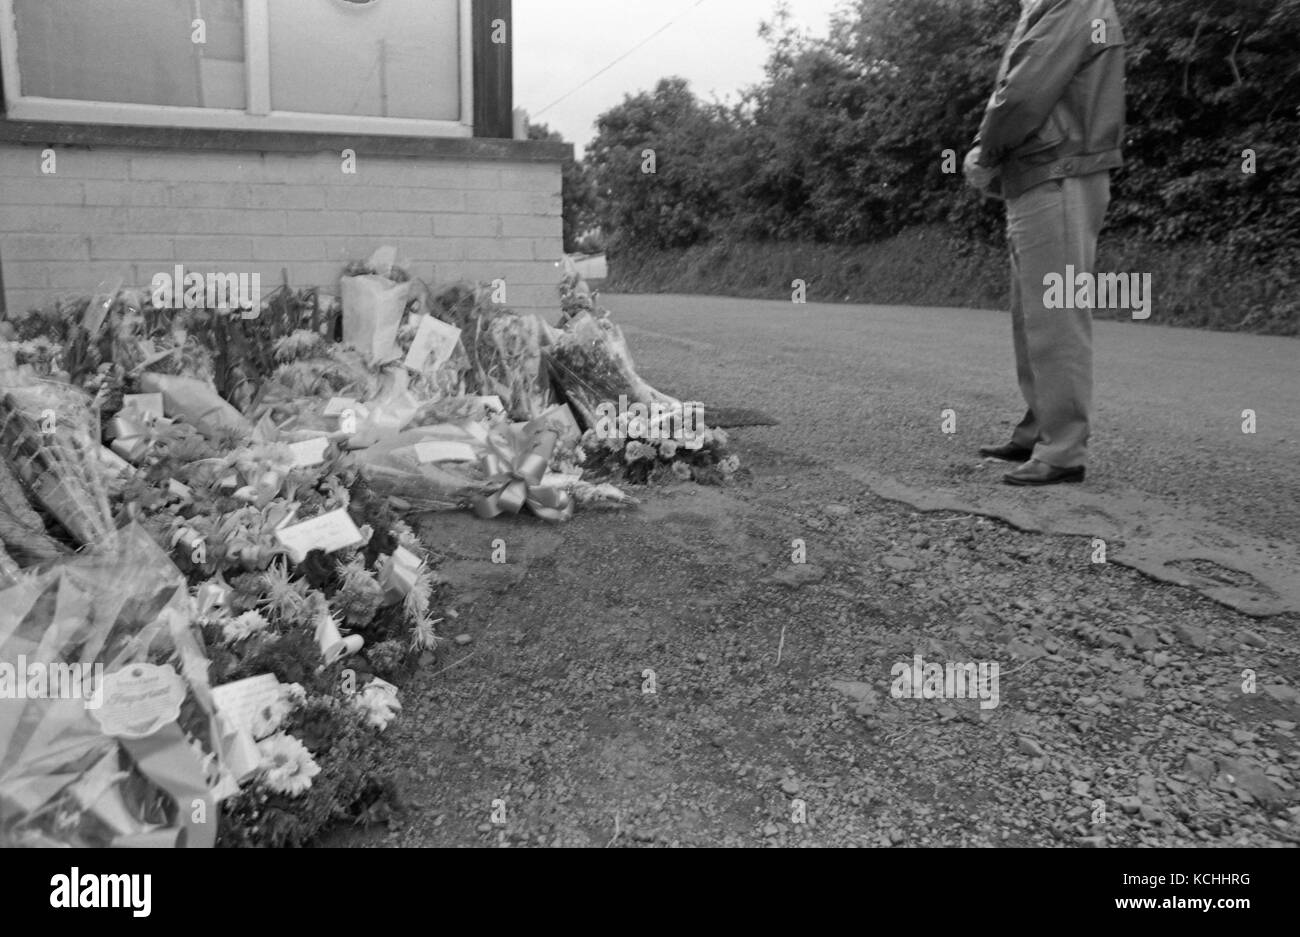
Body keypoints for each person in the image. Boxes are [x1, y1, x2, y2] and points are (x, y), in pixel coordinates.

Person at [964, 0, 1127, 486]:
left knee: (1056, 314)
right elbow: (1020, 86)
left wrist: (986, 150)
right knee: (1034, 314)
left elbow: (1025, 92)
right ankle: (1040, 429)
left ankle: (1063, 450)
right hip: (1045, 171)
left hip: (1059, 171)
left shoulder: (1073, 2)